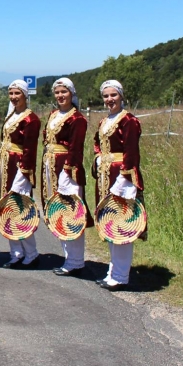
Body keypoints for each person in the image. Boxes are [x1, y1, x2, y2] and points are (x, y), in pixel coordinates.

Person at [93, 79, 145, 291]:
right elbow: (98, 144)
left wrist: (123, 181)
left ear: (121, 96)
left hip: (120, 177)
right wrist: (98, 159)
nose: (109, 99)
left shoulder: (129, 121)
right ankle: (113, 271)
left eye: (113, 95)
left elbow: (131, 153)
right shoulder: (105, 120)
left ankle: (121, 275)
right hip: (106, 175)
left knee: (122, 225)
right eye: (106, 96)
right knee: (110, 224)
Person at [41, 77, 89, 277]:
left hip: (66, 169)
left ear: (72, 94)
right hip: (50, 165)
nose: (60, 96)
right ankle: (68, 257)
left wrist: (67, 172)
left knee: (71, 213)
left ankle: (76, 260)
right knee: (57, 212)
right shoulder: (53, 114)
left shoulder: (76, 119)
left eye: (64, 92)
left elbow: (76, 149)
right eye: (58, 92)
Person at [0, 79, 42, 269]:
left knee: (20, 210)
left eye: (18, 94)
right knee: (7, 211)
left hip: (18, 167)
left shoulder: (30, 119)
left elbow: (30, 149)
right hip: (5, 166)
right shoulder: (11, 116)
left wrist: (24, 174)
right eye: (12, 94)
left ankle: (31, 253)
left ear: (25, 95)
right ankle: (15, 252)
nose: (14, 97)